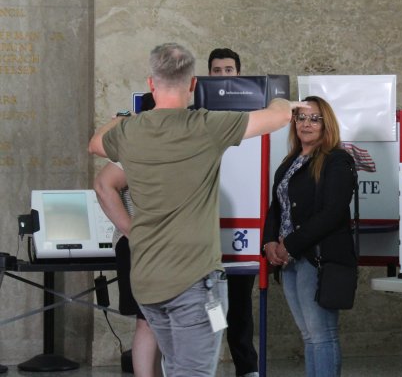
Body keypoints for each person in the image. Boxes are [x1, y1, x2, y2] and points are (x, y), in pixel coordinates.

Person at [88, 43, 298, 375]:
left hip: (147, 280)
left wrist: (121, 119)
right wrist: (281, 98)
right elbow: (279, 116)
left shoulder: (129, 131)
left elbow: (95, 144)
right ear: (193, 85)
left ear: (152, 83)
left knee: (175, 368)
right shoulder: (206, 126)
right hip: (193, 283)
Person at [263, 96, 357, 377]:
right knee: (308, 336)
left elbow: (333, 212)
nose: (307, 124)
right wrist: (269, 243)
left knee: (322, 335)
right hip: (289, 261)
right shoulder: (290, 161)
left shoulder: (337, 160)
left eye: (315, 118)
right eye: (301, 117)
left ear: (326, 124)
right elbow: (276, 207)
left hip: (317, 259)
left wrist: (288, 245)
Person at [94, 93, 162, 377]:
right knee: (147, 321)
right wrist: (131, 230)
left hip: (163, 246)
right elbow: (102, 185)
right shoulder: (135, 150)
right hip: (142, 247)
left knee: (158, 321)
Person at [207, 47, 259, 377]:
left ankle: (247, 369)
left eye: (229, 70)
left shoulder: (255, 117)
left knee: (240, 307)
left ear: (239, 73)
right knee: (210, 308)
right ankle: (205, 367)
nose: (224, 76)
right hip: (206, 234)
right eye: (217, 71)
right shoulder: (197, 116)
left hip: (244, 231)